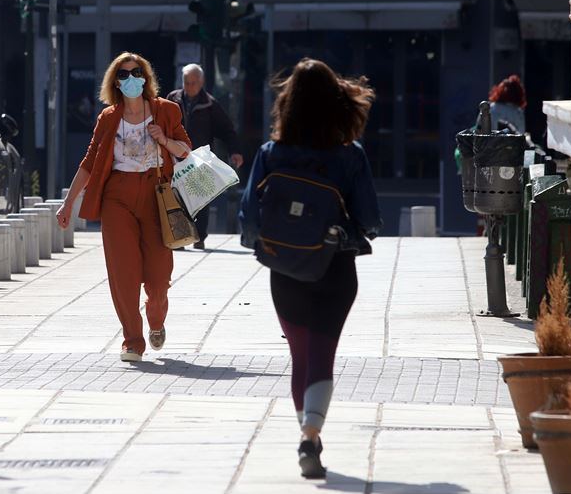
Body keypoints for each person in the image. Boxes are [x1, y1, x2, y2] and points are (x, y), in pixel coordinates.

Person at [239, 59, 382, 479]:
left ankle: (311, 435)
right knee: (323, 354)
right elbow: (370, 218)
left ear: (289, 104)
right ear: (335, 103)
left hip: (285, 269)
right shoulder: (349, 156)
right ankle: (309, 436)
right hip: (334, 270)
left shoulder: (269, 154)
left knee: (300, 356)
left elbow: (248, 218)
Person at [57, 52, 192, 363]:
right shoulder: (108, 118)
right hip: (117, 196)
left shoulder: (166, 111)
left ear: (145, 77)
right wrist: (68, 203)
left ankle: (156, 317)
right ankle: (132, 339)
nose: (130, 79)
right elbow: (90, 163)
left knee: (159, 276)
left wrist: (164, 141)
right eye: (123, 74)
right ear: (115, 82)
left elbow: (186, 150)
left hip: (156, 194)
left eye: (136, 72)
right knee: (123, 272)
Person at [166, 64, 243, 250]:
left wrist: (235, 151)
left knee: (201, 199)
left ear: (201, 83)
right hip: (175, 156)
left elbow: (227, 130)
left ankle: (199, 237)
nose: (190, 86)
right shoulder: (172, 99)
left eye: (193, 83)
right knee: (177, 198)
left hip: (199, 159)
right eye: (186, 82)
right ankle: (180, 237)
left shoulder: (210, 104)